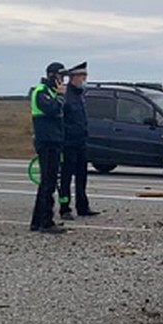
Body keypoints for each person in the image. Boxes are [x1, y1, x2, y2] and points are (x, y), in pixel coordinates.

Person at [30, 62, 67, 233]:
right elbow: (52, 109)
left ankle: (37, 221)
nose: (62, 81)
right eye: (60, 77)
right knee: (48, 183)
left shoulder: (50, 92)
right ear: (53, 76)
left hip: (54, 141)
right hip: (47, 142)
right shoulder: (41, 92)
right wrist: (60, 97)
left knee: (48, 182)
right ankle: (46, 222)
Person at [58, 62, 99, 218]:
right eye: (83, 76)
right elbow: (62, 120)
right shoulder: (65, 96)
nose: (85, 79)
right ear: (74, 77)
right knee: (66, 177)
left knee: (82, 176)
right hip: (68, 143)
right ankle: (64, 208)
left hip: (81, 142)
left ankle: (82, 207)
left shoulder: (80, 95)